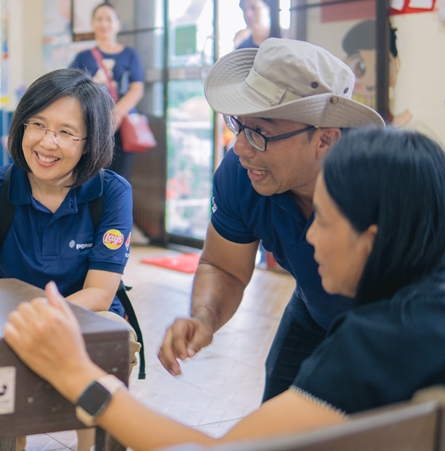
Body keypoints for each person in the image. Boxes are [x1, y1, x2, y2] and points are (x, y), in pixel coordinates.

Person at [3, 128, 445, 449]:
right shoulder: (421, 306)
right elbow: (221, 264)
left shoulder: (376, 342)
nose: (308, 239)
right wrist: (203, 317)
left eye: (324, 221)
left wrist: (79, 375)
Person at [157, 38, 385, 403]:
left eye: (261, 132)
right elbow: (223, 266)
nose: (242, 147)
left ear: (325, 140)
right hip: (314, 310)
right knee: (278, 421)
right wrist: (203, 318)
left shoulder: (387, 187)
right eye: (239, 125)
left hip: (393, 325)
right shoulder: (240, 174)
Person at [0, 68, 137, 451]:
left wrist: (44, 327)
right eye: (37, 124)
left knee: (110, 338)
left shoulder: (112, 193)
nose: (47, 143)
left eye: (66, 132)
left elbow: (100, 294)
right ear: (20, 127)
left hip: (84, 314)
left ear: (89, 143)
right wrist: (23, 328)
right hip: (7, 319)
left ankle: (92, 445)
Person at [69, 2, 144, 182]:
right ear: (93, 24)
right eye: (99, 19)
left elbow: (137, 88)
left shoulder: (130, 54)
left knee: (119, 178)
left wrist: (115, 116)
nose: (104, 24)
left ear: (118, 24)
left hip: (123, 127)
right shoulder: (83, 57)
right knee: (90, 176)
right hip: (93, 125)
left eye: (109, 19)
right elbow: (71, 87)